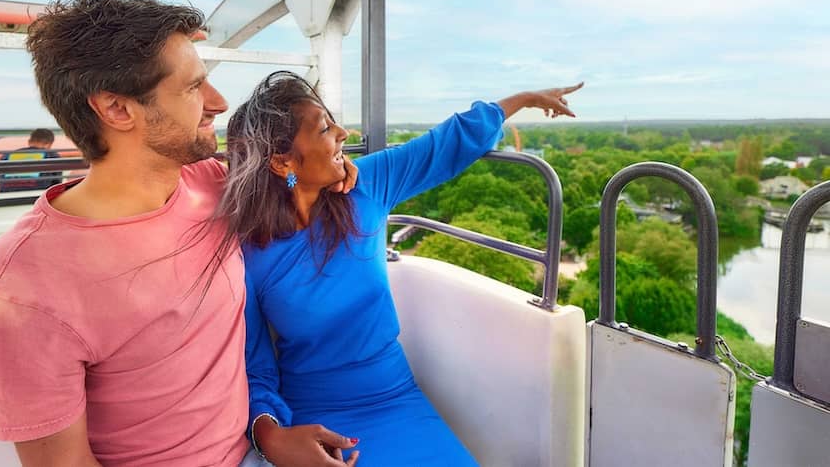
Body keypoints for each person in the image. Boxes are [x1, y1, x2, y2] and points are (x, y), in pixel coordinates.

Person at [0, 0, 358, 467]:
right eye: (194, 87)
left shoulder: (211, 186)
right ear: (117, 109)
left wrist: (336, 170)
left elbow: (295, 177)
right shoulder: (28, 281)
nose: (218, 103)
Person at [217, 71, 582, 466]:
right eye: (324, 128)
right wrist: (272, 438)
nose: (342, 133)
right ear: (281, 161)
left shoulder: (366, 187)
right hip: (318, 420)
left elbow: (445, 145)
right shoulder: (249, 254)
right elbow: (256, 367)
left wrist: (523, 98)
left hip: (397, 397)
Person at [0, 127, 62, 192]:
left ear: (29, 142)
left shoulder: (7, 155)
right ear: (49, 144)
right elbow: (56, 186)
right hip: (36, 196)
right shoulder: (52, 155)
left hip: (7, 196)